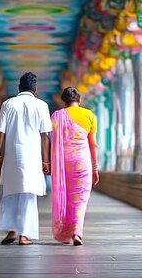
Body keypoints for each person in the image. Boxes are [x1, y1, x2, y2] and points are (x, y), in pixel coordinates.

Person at [0, 72, 52, 246]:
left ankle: (11, 230)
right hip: (33, 157)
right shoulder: (41, 105)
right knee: (28, 195)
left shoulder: (8, 104)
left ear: (19, 87)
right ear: (35, 89)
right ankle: (24, 235)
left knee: (10, 192)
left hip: (12, 155)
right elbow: (45, 136)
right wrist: (46, 161)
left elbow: (0, 132)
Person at [50, 87, 100, 246]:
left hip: (63, 163)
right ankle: (76, 232)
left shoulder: (57, 116)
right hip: (82, 162)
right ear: (79, 100)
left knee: (66, 196)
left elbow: (52, 141)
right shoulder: (89, 115)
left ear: (64, 101)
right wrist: (95, 167)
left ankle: (66, 230)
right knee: (80, 198)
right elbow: (93, 145)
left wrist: (49, 163)